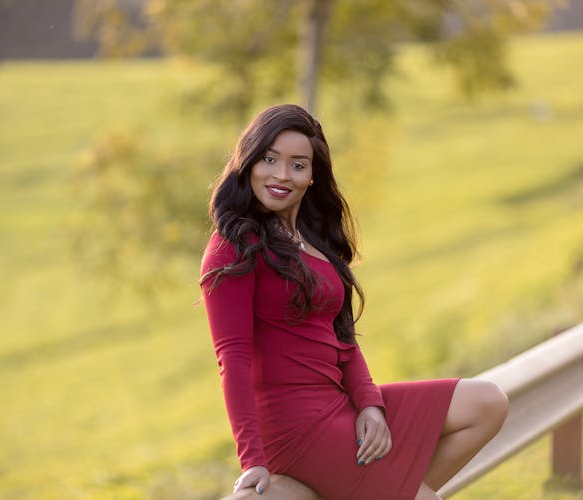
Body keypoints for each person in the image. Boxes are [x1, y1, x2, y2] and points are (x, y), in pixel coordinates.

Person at [199, 104, 508, 500]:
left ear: (313, 176)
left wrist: (370, 405)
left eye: (297, 165)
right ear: (248, 162)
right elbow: (233, 360)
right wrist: (252, 459)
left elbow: (344, 339)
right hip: (295, 426)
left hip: (341, 404)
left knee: (486, 403)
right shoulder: (234, 247)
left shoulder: (313, 240)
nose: (280, 175)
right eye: (269, 159)